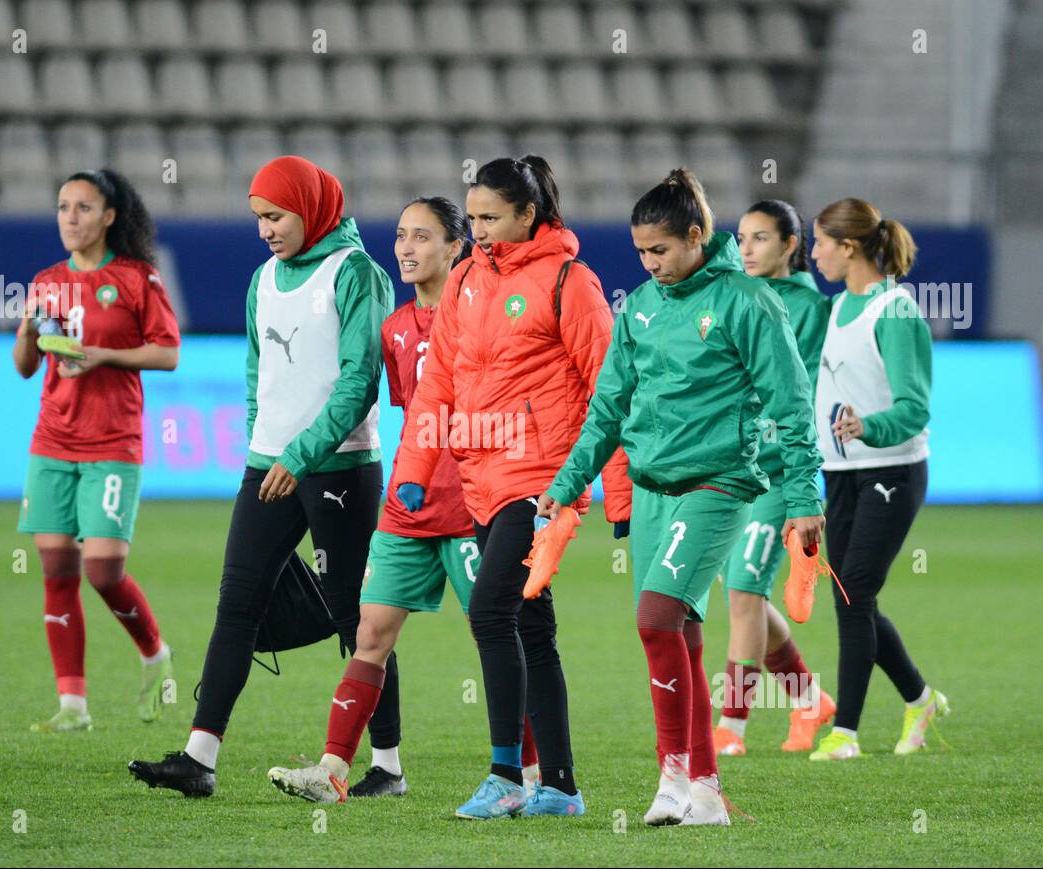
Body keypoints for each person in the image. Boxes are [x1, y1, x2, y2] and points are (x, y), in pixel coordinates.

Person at [538, 170, 824, 826]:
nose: (650, 264)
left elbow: (793, 402)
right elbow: (606, 409)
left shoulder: (747, 302)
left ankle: (671, 775)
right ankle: (706, 792)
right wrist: (564, 485)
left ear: (696, 237)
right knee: (681, 636)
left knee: (654, 617)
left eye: (660, 250)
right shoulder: (637, 307)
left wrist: (804, 492)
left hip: (719, 487)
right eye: (641, 252)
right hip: (652, 493)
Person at [128, 155, 392, 796]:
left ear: (311, 208)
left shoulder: (355, 273)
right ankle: (199, 760)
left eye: (276, 216)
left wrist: (297, 455)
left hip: (339, 468)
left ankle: (387, 767)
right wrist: (262, 442)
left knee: (358, 621)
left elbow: (361, 381)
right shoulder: (262, 279)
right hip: (267, 466)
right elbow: (258, 375)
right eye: (258, 218)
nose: (265, 230)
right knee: (237, 604)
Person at [267, 196, 542, 803]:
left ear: (456, 247)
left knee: (496, 633)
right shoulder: (393, 330)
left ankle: (529, 771)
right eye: (400, 236)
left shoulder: (485, 320)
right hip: (407, 506)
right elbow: (412, 417)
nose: (406, 249)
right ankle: (334, 770)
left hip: (478, 506)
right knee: (371, 633)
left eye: (423, 237)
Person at [392, 156, 632, 819]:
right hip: (481, 480)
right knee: (531, 627)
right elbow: (439, 381)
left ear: (529, 215)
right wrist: (413, 469)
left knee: (490, 609)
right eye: (471, 219)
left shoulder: (569, 282)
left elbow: (608, 388)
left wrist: (620, 492)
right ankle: (561, 787)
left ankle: (505, 773)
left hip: (543, 481)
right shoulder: (466, 279)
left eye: (490, 218)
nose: (479, 231)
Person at [14, 168, 180, 733]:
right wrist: (26, 336)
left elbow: (168, 353)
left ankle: (156, 654)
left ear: (109, 216)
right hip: (53, 440)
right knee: (57, 570)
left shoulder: (137, 279)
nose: (70, 218)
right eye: (63, 207)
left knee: (104, 570)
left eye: (83, 208)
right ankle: (72, 707)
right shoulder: (45, 281)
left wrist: (103, 355)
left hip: (112, 440)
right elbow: (25, 367)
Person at [808, 197, 948, 760]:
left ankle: (845, 733)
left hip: (892, 470)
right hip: (840, 472)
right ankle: (920, 698)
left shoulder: (895, 312)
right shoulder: (833, 308)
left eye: (820, 243)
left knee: (854, 593)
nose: (813, 254)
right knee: (852, 597)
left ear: (848, 246)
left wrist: (870, 425)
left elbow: (915, 408)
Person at [714, 200, 836, 756]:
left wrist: (797, 487)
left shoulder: (809, 307)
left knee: (743, 589)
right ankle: (809, 698)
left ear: (791, 244)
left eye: (760, 238)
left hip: (779, 473)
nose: (746, 249)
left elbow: (798, 393)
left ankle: (731, 725)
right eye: (741, 238)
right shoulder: (737, 295)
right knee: (746, 593)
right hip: (736, 468)